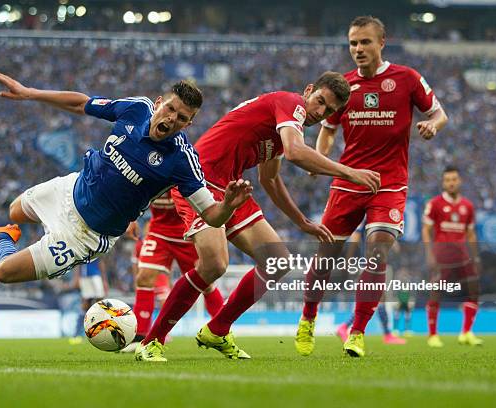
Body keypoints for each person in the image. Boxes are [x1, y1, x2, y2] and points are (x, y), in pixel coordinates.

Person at [135, 71, 382, 362]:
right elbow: (296, 153)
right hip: (199, 181)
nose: (320, 112)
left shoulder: (284, 129)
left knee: (277, 260)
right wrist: (350, 172)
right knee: (214, 265)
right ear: (309, 90)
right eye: (320, 101)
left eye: (329, 110)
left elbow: (271, 180)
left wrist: (302, 221)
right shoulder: (290, 104)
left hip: (231, 188)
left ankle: (217, 329)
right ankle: (152, 340)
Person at [0, 70, 253, 285]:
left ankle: (1, 238)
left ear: (189, 123)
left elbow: (212, 216)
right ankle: (10, 230)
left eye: (181, 117)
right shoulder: (137, 109)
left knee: (3, 272)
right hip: (70, 189)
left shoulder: (182, 159)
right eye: (170, 109)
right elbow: (82, 104)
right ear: (159, 102)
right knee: (15, 210)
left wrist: (228, 205)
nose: (171, 118)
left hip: (85, 235)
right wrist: (30, 93)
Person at [296, 15, 448, 358]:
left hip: (389, 183)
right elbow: (329, 129)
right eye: (353, 43)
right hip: (348, 181)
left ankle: (358, 331)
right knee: (325, 258)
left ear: (382, 42)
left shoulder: (407, 79)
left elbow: (440, 113)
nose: (358, 49)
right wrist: (319, 162)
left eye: (365, 42)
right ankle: (308, 318)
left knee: (377, 253)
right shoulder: (344, 87)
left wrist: (433, 126)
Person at [124, 191, 224, 351]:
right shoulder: (152, 169)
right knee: (144, 278)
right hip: (159, 231)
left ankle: (221, 329)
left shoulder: (185, 169)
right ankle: (139, 336)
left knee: (206, 283)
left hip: (186, 233)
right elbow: (139, 189)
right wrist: (132, 218)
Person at [422, 166, 483, 347]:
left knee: (473, 291)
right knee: (436, 293)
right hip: (442, 257)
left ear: (459, 181)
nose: (451, 183)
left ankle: (466, 333)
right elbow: (426, 230)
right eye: (448, 180)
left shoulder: (468, 206)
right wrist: (429, 253)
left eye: (454, 179)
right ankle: (433, 335)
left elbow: (471, 234)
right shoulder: (435, 204)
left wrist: (476, 257)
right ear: (443, 182)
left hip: (464, 257)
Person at [335, 222, 406, 345]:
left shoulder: (376, 216)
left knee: (376, 299)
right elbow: (356, 237)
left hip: (374, 262)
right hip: (367, 264)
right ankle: (386, 334)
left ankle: (346, 327)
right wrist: (347, 261)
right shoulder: (366, 215)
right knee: (376, 299)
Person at [69, 259, 108, 345]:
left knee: (100, 304)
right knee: (85, 305)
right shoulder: (82, 247)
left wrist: (104, 280)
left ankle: (101, 333)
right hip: (85, 277)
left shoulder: (98, 247)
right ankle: (77, 333)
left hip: (96, 276)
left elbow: (101, 262)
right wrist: (76, 277)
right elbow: (78, 262)